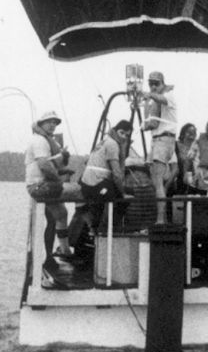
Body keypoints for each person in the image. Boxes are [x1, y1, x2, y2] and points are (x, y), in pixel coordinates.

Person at [24, 111, 75, 282]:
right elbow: (44, 166)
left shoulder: (47, 141)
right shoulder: (39, 140)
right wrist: (59, 180)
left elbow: (53, 165)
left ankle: (56, 254)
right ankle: (55, 254)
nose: (52, 125)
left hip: (44, 185)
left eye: (55, 122)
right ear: (41, 124)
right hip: (39, 186)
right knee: (78, 191)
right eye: (49, 122)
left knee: (59, 215)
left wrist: (63, 164)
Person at [66, 119, 131, 251]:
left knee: (101, 201)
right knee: (123, 199)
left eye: (126, 135)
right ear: (116, 130)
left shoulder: (104, 141)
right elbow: (118, 174)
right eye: (122, 133)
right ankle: (111, 231)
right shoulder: (113, 145)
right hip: (96, 185)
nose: (123, 137)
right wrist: (123, 193)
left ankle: (94, 230)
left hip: (87, 184)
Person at [142, 72, 178, 220]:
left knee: (157, 183)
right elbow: (147, 123)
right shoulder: (154, 103)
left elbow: (160, 98)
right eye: (151, 84)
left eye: (157, 83)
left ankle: (160, 219)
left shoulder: (169, 95)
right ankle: (161, 216)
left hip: (164, 141)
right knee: (155, 180)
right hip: (158, 141)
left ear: (163, 84)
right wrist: (145, 103)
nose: (154, 87)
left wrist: (149, 95)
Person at [172, 123, 202, 195]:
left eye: (194, 132)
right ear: (183, 133)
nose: (192, 134)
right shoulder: (176, 145)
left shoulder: (197, 147)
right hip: (178, 180)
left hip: (195, 182)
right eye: (189, 132)